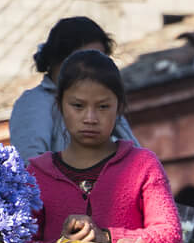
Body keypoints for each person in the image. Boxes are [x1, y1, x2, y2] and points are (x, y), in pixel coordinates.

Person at [26, 50, 181, 243]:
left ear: (119, 108)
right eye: (78, 106)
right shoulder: (37, 175)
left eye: (103, 107)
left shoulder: (143, 165)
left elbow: (170, 238)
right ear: (60, 106)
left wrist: (108, 238)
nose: (90, 118)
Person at [9, 16, 138, 160]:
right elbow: (31, 166)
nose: (90, 119)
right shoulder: (35, 102)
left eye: (99, 60)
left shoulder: (108, 104)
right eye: (78, 106)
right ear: (58, 59)